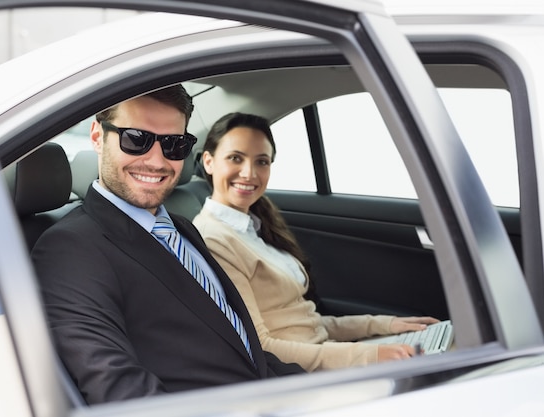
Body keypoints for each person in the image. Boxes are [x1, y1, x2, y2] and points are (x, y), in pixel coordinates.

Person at [32, 87, 304, 405]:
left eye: (174, 145)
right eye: (136, 139)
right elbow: (123, 394)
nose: (157, 161)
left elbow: (241, 348)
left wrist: (320, 392)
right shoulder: (70, 250)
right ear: (97, 137)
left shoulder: (182, 228)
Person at [192, 112, 440, 372]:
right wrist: (369, 354)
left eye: (262, 161)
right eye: (235, 158)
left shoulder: (253, 227)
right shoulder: (214, 240)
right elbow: (262, 346)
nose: (249, 173)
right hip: (299, 374)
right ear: (209, 162)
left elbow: (308, 323)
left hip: (322, 355)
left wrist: (384, 326)